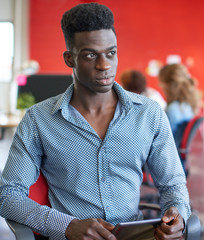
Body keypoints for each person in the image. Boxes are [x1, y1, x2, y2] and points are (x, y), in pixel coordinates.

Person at [0, 3, 191, 240]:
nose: (105, 65)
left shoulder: (148, 114)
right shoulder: (39, 121)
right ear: (69, 59)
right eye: (91, 55)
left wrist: (178, 215)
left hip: (135, 235)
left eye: (111, 53)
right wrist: (67, 226)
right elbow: (8, 195)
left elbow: (172, 185)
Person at [158, 63, 200, 175]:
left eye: (161, 83)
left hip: (168, 164)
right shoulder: (186, 106)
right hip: (178, 162)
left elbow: (161, 142)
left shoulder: (173, 110)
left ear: (168, 85)